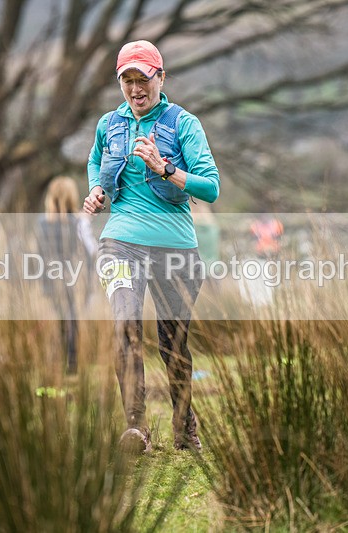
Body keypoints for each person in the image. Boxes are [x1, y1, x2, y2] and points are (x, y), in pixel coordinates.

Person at [83, 40, 220, 453]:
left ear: (161, 77)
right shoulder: (109, 124)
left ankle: (185, 427)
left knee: (171, 343)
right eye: (128, 79)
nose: (136, 88)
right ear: (120, 82)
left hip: (175, 248)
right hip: (119, 242)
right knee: (125, 325)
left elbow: (210, 188)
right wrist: (96, 189)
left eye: (143, 78)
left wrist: (167, 169)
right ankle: (135, 428)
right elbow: (95, 161)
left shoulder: (184, 124)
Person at [37, 176, 97, 374]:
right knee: (73, 320)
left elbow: (39, 254)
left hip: (50, 281)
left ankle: (61, 361)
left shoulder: (41, 223)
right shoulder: (79, 222)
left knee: (61, 319)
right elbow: (91, 251)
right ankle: (72, 365)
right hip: (76, 279)